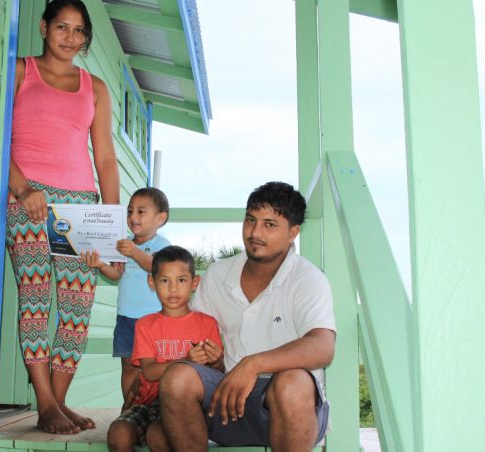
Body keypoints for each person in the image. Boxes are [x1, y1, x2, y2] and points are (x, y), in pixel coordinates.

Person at [5, 0, 120, 435]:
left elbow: (106, 160)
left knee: (77, 307)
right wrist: (22, 187)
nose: (71, 38)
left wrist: (109, 227)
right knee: (36, 299)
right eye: (62, 27)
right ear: (43, 27)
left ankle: (61, 401)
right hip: (31, 200)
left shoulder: (96, 88)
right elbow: (1, 135)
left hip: (80, 206)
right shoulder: (21, 72)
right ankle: (45, 402)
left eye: (79, 31)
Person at [150, 182, 336, 452]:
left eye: (270, 225)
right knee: (178, 378)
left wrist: (254, 364)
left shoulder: (308, 280)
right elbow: (192, 339)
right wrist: (210, 358)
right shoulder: (217, 274)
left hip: (290, 409)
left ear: (292, 233)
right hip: (225, 401)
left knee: (292, 383)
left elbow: (323, 347)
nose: (255, 232)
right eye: (250, 220)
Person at [106, 246, 223, 452]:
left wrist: (216, 359)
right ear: (152, 283)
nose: (173, 289)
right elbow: (149, 372)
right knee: (118, 434)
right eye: (164, 281)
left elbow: (216, 373)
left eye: (181, 280)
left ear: (195, 283)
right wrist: (186, 360)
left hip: (188, 404)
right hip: (148, 403)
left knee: (158, 436)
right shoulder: (145, 325)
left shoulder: (207, 324)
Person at [81, 187, 171, 401]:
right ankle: (129, 407)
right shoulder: (124, 245)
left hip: (154, 320)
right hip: (126, 318)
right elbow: (115, 274)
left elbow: (157, 267)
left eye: (141, 211)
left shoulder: (162, 245)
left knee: (155, 369)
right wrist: (101, 264)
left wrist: (134, 251)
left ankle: (156, 409)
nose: (133, 217)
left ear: (160, 218)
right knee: (129, 367)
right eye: (130, 211)